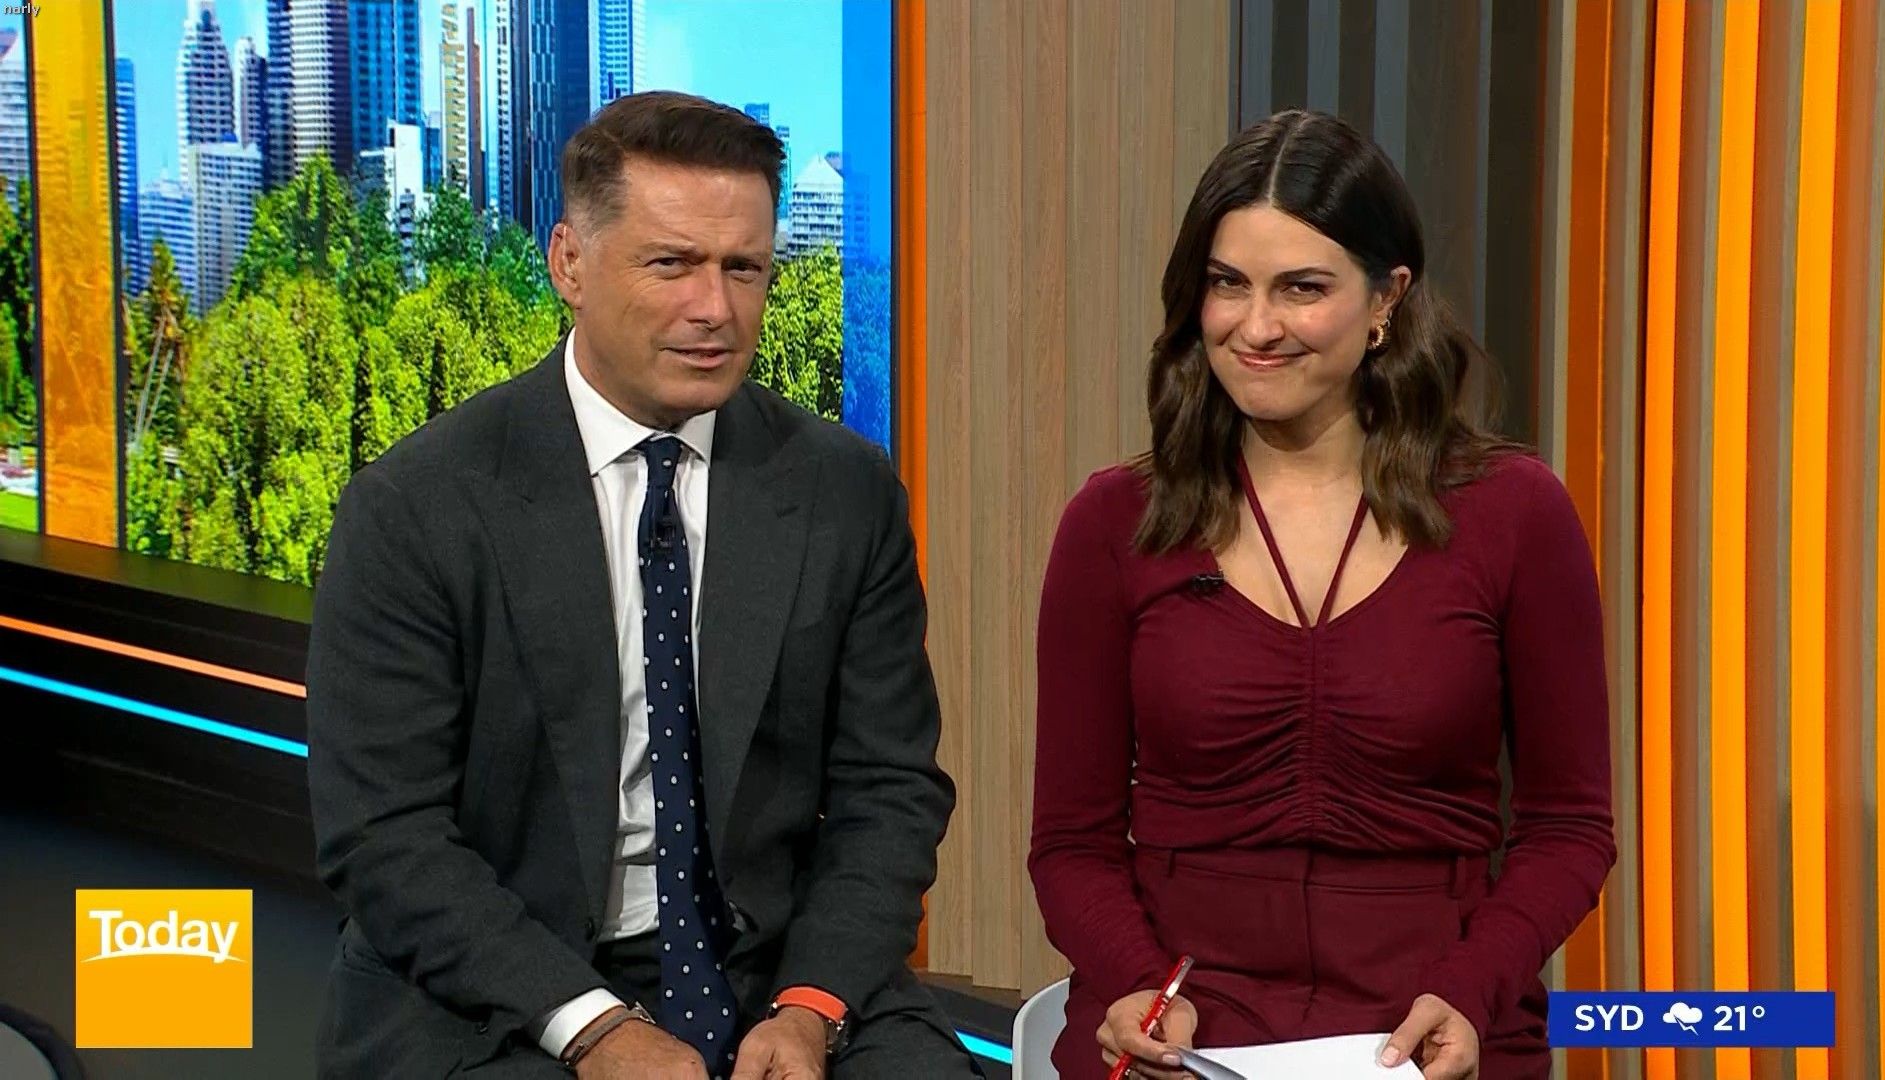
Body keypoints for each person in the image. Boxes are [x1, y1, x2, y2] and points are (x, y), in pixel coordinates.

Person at [306, 91, 978, 1080]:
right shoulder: (417, 505)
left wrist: (810, 1004)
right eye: (671, 264)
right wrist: (594, 1027)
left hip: (774, 966)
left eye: (743, 268)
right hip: (501, 983)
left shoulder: (843, 493)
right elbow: (384, 837)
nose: (715, 309)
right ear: (569, 263)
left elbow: (890, 792)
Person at [1027, 109, 1616, 1080]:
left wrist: (1472, 990)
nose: (1256, 327)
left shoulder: (1515, 514)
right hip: (1182, 1027)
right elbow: (1070, 842)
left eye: (1302, 288)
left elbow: (1569, 827)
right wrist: (1137, 984)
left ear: (1387, 299)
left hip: (1430, 1023)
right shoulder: (1113, 524)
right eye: (1228, 284)